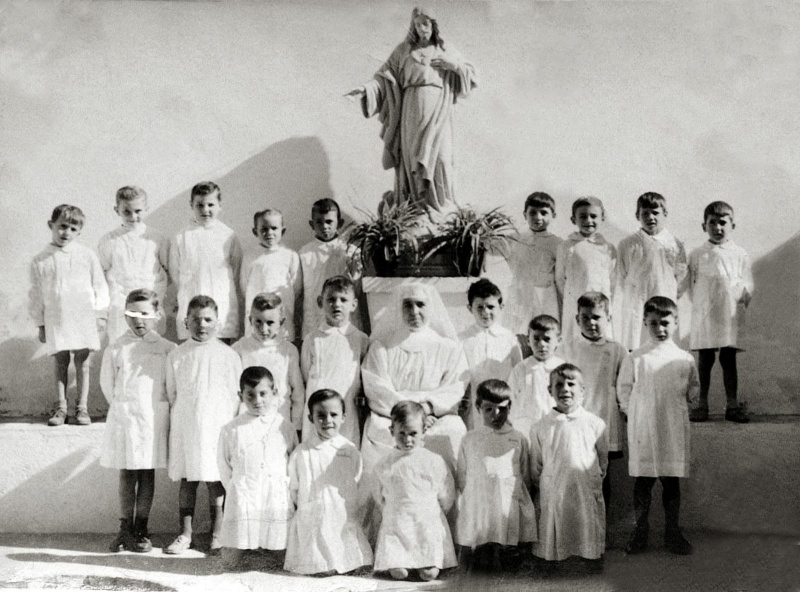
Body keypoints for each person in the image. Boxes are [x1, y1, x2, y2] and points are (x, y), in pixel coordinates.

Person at [345, 7, 477, 214]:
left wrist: (454, 66)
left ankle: (443, 207)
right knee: (413, 159)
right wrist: (365, 89)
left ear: (434, 25)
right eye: (417, 24)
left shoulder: (445, 49)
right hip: (411, 111)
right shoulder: (403, 51)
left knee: (441, 157)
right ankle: (415, 209)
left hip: (439, 109)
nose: (422, 28)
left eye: (426, 23)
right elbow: (384, 77)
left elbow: (470, 74)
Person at [618, 296, 699, 555]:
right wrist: (632, 412)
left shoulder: (684, 358)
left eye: (665, 323)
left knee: (671, 482)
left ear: (676, 322)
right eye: (653, 324)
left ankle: (672, 533)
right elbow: (624, 389)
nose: (660, 329)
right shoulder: (636, 357)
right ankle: (640, 532)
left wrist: (693, 396)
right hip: (644, 428)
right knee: (644, 481)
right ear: (644, 323)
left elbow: (693, 386)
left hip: (672, 427)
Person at [361, 282, 469, 473]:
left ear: (431, 307)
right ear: (399, 307)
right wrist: (410, 415)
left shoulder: (447, 347)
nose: (414, 311)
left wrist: (426, 410)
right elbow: (377, 387)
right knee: (378, 429)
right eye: (408, 305)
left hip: (434, 412)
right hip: (392, 412)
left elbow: (454, 386)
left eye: (420, 304)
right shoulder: (382, 347)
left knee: (454, 430)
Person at [164, 295, 242, 556]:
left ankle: (217, 533)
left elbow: (234, 393)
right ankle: (185, 534)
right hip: (187, 427)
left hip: (216, 428)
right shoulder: (177, 355)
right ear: (186, 322)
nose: (202, 324)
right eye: (196, 319)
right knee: (187, 480)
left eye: (208, 319)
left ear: (217, 323)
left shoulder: (229, 355)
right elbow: (172, 392)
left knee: (215, 481)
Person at [100, 289, 175, 553]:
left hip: (153, 419)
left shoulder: (167, 348)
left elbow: (171, 385)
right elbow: (107, 385)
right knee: (127, 471)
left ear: (156, 315)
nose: (138, 320)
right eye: (132, 314)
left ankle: (141, 528)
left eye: (144, 314)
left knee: (146, 472)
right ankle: (125, 528)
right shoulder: (116, 347)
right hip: (126, 418)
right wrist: (124, 410)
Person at [29, 204, 109, 426]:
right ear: (51, 225)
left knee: (83, 362)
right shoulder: (41, 260)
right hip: (57, 318)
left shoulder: (86, 255)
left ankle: (82, 409)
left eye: (73, 229)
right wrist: (40, 324)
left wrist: (100, 314)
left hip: (83, 315)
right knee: (61, 361)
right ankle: (61, 408)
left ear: (79, 232)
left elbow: (99, 285)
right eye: (62, 227)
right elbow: (36, 295)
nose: (67, 233)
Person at [284, 389, 373, 575]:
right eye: (321, 416)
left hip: (341, 510)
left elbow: (356, 477)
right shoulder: (302, 452)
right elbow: (293, 485)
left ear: (343, 417)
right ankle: (320, 563)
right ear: (311, 418)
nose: (328, 420)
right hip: (314, 511)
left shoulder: (349, 449)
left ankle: (348, 561)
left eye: (333, 415)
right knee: (318, 547)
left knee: (342, 529)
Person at [530, 363, 608, 564]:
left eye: (571, 384)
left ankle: (589, 556)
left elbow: (602, 458)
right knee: (555, 520)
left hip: (584, 486)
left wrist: (594, 478)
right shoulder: (541, 426)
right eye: (559, 385)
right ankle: (553, 557)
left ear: (582, 390)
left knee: (586, 520)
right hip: (554, 486)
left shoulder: (595, 423)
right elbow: (537, 462)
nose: (565, 389)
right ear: (550, 390)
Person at [455, 380, 536, 570]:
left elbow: (524, 474)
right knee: (480, 558)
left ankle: (508, 555)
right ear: (478, 408)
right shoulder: (470, 439)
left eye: (502, 409)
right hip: (480, 501)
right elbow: (463, 474)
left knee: (508, 541)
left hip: (508, 499)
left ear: (510, 407)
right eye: (489, 409)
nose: (495, 415)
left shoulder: (517, 438)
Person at [372, 401, 457, 581]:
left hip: (426, 524)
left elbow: (446, 494)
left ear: (424, 430)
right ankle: (399, 562)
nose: (407, 439)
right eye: (401, 433)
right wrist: (392, 512)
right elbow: (379, 495)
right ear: (392, 431)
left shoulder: (433, 461)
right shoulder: (385, 464)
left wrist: (434, 514)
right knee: (399, 573)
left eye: (413, 433)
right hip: (397, 524)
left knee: (428, 574)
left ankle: (427, 562)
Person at [217, 366, 297, 553]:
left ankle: (271, 549)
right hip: (245, 491)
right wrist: (237, 486)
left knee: (276, 548)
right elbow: (224, 465)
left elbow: (293, 461)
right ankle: (244, 548)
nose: (257, 400)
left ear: (274, 393)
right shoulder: (232, 429)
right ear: (240, 395)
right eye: (250, 395)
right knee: (233, 559)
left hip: (274, 491)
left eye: (263, 394)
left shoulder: (284, 426)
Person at [561, 292, 629, 511]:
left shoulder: (617, 350)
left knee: (601, 474)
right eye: (585, 317)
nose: (591, 322)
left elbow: (625, 386)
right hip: (576, 420)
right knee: (575, 473)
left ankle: (600, 527)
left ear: (608, 318)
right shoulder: (567, 349)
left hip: (605, 420)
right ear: (576, 319)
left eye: (597, 317)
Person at [687, 201, 753, 423]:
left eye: (722, 222)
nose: (717, 227)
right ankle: (701, 404)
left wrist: (741, 295)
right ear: (703, 225)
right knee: (705, 359)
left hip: (729, 313)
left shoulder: (740, 253)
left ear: (732, 224)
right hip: (705, 313)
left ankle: (732, 405)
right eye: (712, 223)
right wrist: (698, 306)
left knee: (728, 358)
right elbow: (690, 283)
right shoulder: (697, 254)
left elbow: (747, 283)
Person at [169, 181, 243, 343]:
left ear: (219, 206)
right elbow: (174, 271)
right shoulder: (181, 236)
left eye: (210, 205)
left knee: (221, 347)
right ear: (191, 205)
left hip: (221, 300)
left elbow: (236, 270)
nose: (205, 210)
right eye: (200, 205)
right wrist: (182, 294)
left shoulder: (228, 235)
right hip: (191, 297)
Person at [300, 276, 369, 444]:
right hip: (319, 401)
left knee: (345, 445)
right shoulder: (312, 339)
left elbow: (364, 374)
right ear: (320, 302)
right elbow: (305, 372)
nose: (337, 305)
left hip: (347, 403)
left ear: (353, 305)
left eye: (343, 300)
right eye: (331, 299)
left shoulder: (360, 339)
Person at [615, 192, 687, 351]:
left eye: (655, 212)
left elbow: (681, 277)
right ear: (637, 215)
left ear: (665, 214)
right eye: (645, 213)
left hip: (664, 296)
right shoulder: (628, 244)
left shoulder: (675, 244)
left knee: (664, 341)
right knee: (636, 341)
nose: (650, 217)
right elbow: (622, 275)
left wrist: (668, 292)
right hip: (637, 300)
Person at [98, 186, 169, 343]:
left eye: (138, 211)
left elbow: (167, 271)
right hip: (121, 307)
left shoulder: (156, 238)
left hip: (150, 306)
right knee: (122, 353)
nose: (133, 216)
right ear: (117, 210)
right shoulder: (109, 240)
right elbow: (101, 276)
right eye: (127, 211)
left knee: (151, 351)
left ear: (146, 209)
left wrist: (156, 297)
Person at [232, 293, 304, 435]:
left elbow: (298, 393)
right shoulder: (239, 348)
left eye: (270, 323)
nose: (263, 329)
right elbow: (233, 392)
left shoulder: (288, 351)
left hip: (279, 420)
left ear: (281, 322)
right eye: (258, 322)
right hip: (247, 421)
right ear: (250, 320)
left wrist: (295, 426)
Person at [459, 279, 522, 430]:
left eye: (490, 306)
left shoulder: (509, 339)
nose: (485, 312)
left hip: (503, 401)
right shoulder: (463, 339)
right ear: (469, 308)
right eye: (479, 307)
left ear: (501, 307)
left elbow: (518, 372)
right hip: (475, 404)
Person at [299, 198, 364, 338]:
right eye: (319, 222)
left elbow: (357, 285)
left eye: (329, 222)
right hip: (315, 314)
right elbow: (299, 289)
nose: (324, 226)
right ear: (311, 224)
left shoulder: (348, 249)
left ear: (339, 223)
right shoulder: (305, 252)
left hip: (344, 313)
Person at [555, 196, 616, 344]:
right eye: (583, 216)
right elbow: (560, 279)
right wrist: (572, 299)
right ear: (573, 219)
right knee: (574, 340)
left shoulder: (608, 248)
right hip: (575, 302)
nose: (588, 220)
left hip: (600, 303)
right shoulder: (567, 246)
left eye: (593, 216)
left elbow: (612, 279)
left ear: (602, 218)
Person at [503, 192, 563, 334]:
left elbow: (560, 274)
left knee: (543, 331)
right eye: (533, 213)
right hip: (520, 293)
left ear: (553, 215)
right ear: (525, 215)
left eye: (544, 213)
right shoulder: (515, 239)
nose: (538, 217)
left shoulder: (557, 243)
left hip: (544, 296)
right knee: (518, 332)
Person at [240, 208, 302, 343]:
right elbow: (244, 286)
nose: (269, 233)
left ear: (283, 231)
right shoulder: (250, 256)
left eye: (274, 228)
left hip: (282, 316)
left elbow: (296, 287)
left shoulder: (290, 255)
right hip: (257, 316)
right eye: (264, 229)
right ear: (255, 231)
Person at [507, 315, 565, 439]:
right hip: (527, 428)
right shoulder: (520, 369)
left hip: (555, 427)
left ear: (558, 340)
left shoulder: (562, 368)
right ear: (528, 341)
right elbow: (511, 399)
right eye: (536, 339)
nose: (541, 344)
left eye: (547, 339)